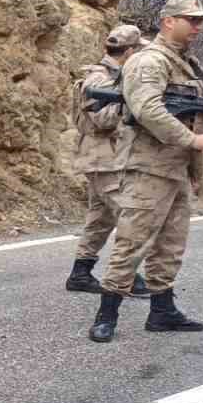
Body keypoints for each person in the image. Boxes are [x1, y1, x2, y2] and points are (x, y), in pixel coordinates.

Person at [88, 0, 203, 343]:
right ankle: (106, 316)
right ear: (168, 21)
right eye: (191, 19)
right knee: (132, 242)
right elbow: (148, 109)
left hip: (175, 168)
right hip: (149, 167)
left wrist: (194, 164)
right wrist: (193, 142)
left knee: (171, 244)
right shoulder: (149, 62)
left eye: (201, 20)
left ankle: (162, 310)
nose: (199, 26)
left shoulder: (185, 63)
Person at [66, 24, 149, 297]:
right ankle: (126, 276)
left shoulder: (114, 76)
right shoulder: (99, 79)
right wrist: (131, 103)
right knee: (130, 216)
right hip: (103, 159)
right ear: (129, 51)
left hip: (106, 158)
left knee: (100, 219)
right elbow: (102, 119)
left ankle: (81, 272)